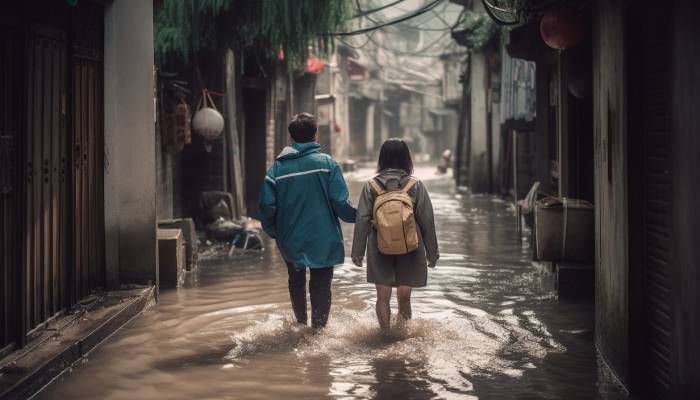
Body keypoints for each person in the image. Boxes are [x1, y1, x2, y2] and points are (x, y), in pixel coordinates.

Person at [257, 113, 357, 329]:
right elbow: (342, 205)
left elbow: (266, 208)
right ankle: (318, 333)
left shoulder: (277, 170)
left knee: (296, 280)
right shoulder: (327, 164)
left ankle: (300, 324)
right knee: (321, 285)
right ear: (316, 135)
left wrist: (277, 233)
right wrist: (363, 215)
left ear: (291, 138)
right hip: (324, 239)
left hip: (290, 240)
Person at [351, 138, 439, 332]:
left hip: (379, 246)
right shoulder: (416, 185)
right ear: (407, 159)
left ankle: (385, 335)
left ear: (381, 159)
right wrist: (432, 253)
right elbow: (427, 222)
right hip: (410, 245)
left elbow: (362, 221)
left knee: (382, 297)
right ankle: (401, 335)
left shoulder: (371, 186)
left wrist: (357, 253)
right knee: (404, 298)